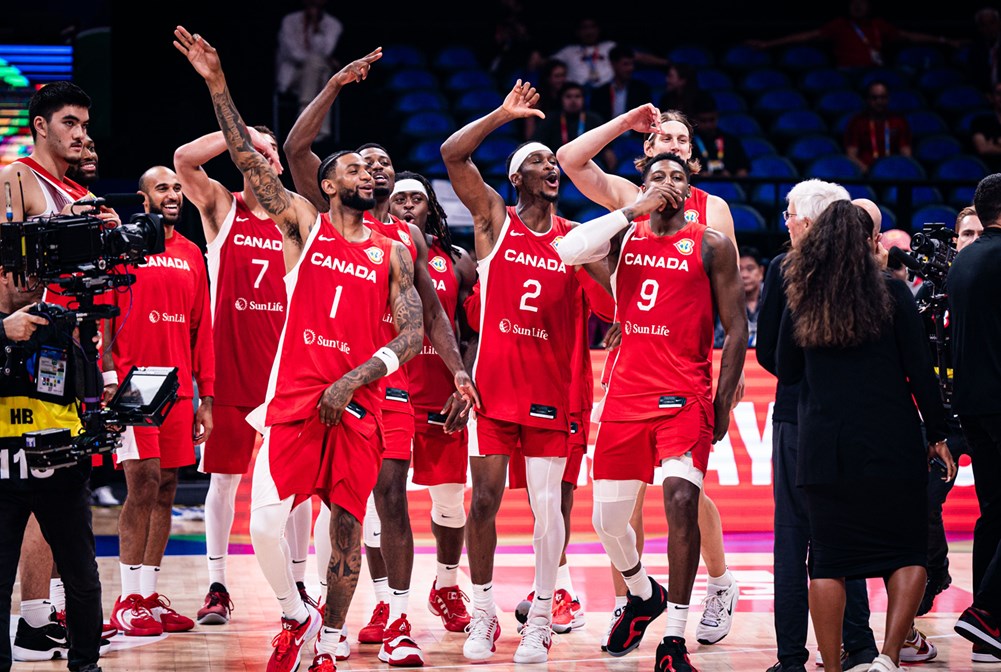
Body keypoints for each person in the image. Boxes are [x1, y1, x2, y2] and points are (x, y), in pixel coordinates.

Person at [175, 26, 425, 672]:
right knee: (262, 523)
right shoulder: (303, 227)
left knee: (344, 534)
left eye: (370, 168)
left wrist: (359, 377)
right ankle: (296, 614)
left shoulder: (393, 252)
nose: (366, 172)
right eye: (352, 167)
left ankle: (331, 644)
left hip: (358, 405)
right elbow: (250, 156)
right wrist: (218, 85)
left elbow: (413, 332)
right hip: (292, 402)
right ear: (329, 183)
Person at [282, 51, 478, 667]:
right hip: (342, 378)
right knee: (360, 499)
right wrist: (334, 84)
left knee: (407, 496)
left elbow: (438, 317)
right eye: (362, 163)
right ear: (345, 179)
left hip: (400, 377)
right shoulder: (333, 224)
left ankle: (397, 614)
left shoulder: (408, 238)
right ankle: (348, 613)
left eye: (381, 162)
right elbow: (296, 150)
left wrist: (459, 371)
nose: (373, 169)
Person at [557, 102, 742, 646]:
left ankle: (717, 583)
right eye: (663, 141)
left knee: (685, 493)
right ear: (648, 150)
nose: (672, 148)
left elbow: (724, 312)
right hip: (629, 369)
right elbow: (570, 158)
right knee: (621, 506)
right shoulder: (631, 199)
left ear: (694, 161)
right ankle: (632, 600)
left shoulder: (714, 217)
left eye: (682, 142)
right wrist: (621, 124)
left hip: (684, 374)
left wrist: (724, 395)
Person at [440, 82, 602, 664]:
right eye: (537, 161)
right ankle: (483, 612)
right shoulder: (494, 220)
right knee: (482, 502)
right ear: (516, 179)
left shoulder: (577, 241)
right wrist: (503, 114)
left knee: (548, 509)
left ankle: (539, 618)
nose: (550, 167)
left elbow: (614, 301)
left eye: (553, 161)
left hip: (550, 394)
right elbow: (452, 156)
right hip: (494, 390)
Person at [777, 199, 955, 672]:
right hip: (889, 443)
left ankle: (833, 667)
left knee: (829, 561)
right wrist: (938, 433)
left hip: (824, 449)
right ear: (868, 242)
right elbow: (921, 372)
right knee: (907, 551)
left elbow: (786, 370)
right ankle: (888, 658)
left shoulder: (802, 293)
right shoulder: (893, 293)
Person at [172, 126, 316, 629]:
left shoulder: (296, 216)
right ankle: (217, 585)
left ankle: (301, 582)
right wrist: (245, 134)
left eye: (272, 153)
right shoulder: (221, 207)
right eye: (256, 152)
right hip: (232, 371)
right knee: (224, 481)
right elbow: (184, 159)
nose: (267, 158)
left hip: (288, 375)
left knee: (296, 488)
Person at [0, 81, 108, 662]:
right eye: (69, 122)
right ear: (41, 126)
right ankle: (33, 625)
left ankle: (75, 649)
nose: (81, 134)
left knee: (82, 560)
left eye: (85, 124)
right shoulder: (16, 179)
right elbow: (11, 284)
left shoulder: (74, 191)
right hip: (16, 372)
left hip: (67, 377)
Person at [757, 182, 882, 672]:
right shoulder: (867, 271)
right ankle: (862, 646)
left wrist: (801, 375)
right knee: (846, 536)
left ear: (808, 222)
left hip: (796, 416)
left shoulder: (785, 267)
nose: (785, 222)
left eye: (790, 214)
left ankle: (791, 658)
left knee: (792, 540)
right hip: (852, 421)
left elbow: (768, 349)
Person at [104, 165, 214, 638]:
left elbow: (201, 331)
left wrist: (205, 398)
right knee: (142, 483)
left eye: (176, 188)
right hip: (132, 386)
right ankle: (126, 600)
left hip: (178, 388)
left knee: (167, 486)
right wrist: (108, 378)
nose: (172, 194)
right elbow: (104, 320)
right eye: (161, 188)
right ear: (144, 198)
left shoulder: (192, 254)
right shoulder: (122, 248)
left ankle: (148, 595)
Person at [0, 271, 104, 672]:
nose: (37, 282)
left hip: (59, 469)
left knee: (81, 575)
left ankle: (86, 665)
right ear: (6, 276)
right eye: (27, 274)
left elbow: (85, 393)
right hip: (4, 471)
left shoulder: (58, 326)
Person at [388, 171, 478, 635]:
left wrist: (463, 383)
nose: (407, 206)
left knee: (450, 503)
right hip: (390, 393)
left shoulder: (459, 261)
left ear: (430, 208)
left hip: (441, 395)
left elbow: (473, 331)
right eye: (399, 199)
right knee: (382, 503)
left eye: (415, 200)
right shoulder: (373, 250)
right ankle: (387, 602)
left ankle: (446, 585)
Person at [947, 174, 1001, 663]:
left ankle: (989, 634)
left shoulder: (964, 261)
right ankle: (987, 612)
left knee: (995, 513)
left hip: (973, 404)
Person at [747, 0, 960, 69]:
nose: (858, 6)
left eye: (862, 2)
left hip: (877, 74)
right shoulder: (839, 25)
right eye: (853, 2)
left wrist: (946, 41)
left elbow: (909, 36)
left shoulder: (878, 25)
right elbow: (807, 36)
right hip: (849, 77)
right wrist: (769, 44)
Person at [275, 0, 343, 142]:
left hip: (318, 74)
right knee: (318, 68)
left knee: (319, 70)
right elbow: (293, 53)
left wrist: (317, 29)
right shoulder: (290, 21)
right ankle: (321, 129)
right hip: (293, 75)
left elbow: (327, 50)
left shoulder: (333, 25)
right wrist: (324, 60)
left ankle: (304, 120)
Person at [550, 16, 667, 89]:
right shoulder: (568, 51)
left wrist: (666, 63)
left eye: (592, 27)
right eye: (584, 28)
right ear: (577, 32)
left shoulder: (609, 46)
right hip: (577, 94)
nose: (589, 31)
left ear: (598, 29)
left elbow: (638, 57)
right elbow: (546, 63)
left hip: (607, 93)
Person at [530, 82, 614, 167]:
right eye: (568, 96)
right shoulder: (550, 119)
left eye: (577, 96)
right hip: (557, 167)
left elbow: (607, 150)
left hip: (588, 165)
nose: (573, 100)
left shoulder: (594, 119)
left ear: (583, 99)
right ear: (561, 99)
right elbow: (537, 145)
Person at [844, 80, 913, 172]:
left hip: (894, 172)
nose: (879, 101)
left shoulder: (899, 122)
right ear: (867, 100)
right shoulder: (857, 122)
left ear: (888, 99)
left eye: (882, 97)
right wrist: (867, 171)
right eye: (874, 98)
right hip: (867, 173)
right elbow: (851, 155)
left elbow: (906, 154)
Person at [691, 93, 750, 178]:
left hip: (729, 187)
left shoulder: (731, 141)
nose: (708, 125)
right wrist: (699, 177)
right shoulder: (688, 143)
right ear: (695, 119)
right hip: (699, 187)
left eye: (711, 120)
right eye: (703, 121)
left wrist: (732, 178)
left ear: (717, 116)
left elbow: (743, 170)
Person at [590, 46, 653, 125]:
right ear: (613, 64)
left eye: (632, 64)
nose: (630, 68)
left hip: (635, 135)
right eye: (625, 64)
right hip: (609, 134)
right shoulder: (600, 93)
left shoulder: (642, 90)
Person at [715, 247, 763, 348]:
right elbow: (718, 341)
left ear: (761, 272)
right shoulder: (725, 300)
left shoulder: (772, 296)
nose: (744, 275)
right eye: (739, 270)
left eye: (750, 269)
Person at [970, 81, 1001, 174]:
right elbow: (983, 148)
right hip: (988, 175)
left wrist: (995, 146)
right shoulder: (980, 122)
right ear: (991, 97)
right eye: (999, 94)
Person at [970, 7, 1001, 92]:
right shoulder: (976, 50)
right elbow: (974, 78)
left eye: (992, 23)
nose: (989, 28)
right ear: (979, 28)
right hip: (986, 95)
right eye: (984, 25)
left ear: (999, 24)